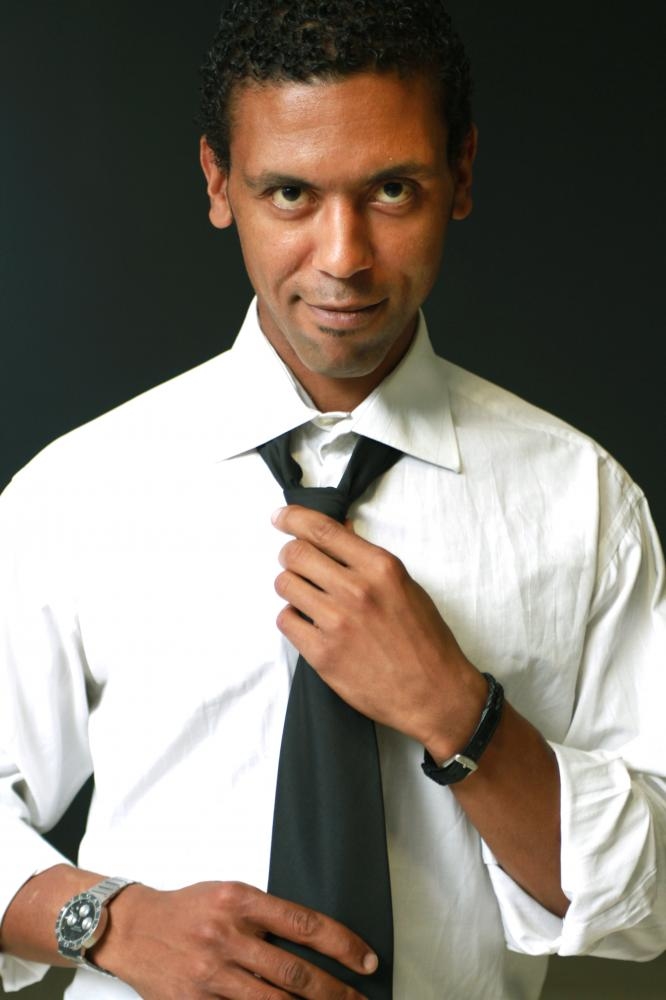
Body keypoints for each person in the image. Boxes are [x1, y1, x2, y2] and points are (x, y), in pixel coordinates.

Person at [0, 1, 665, 997]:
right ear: (218, 182)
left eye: (392, 189)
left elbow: (653, 895)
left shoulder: (583, 502)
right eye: (290, 194)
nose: (344, 256)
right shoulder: (80, 491)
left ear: (462, 175)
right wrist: (112, 920)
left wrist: (460, 711)